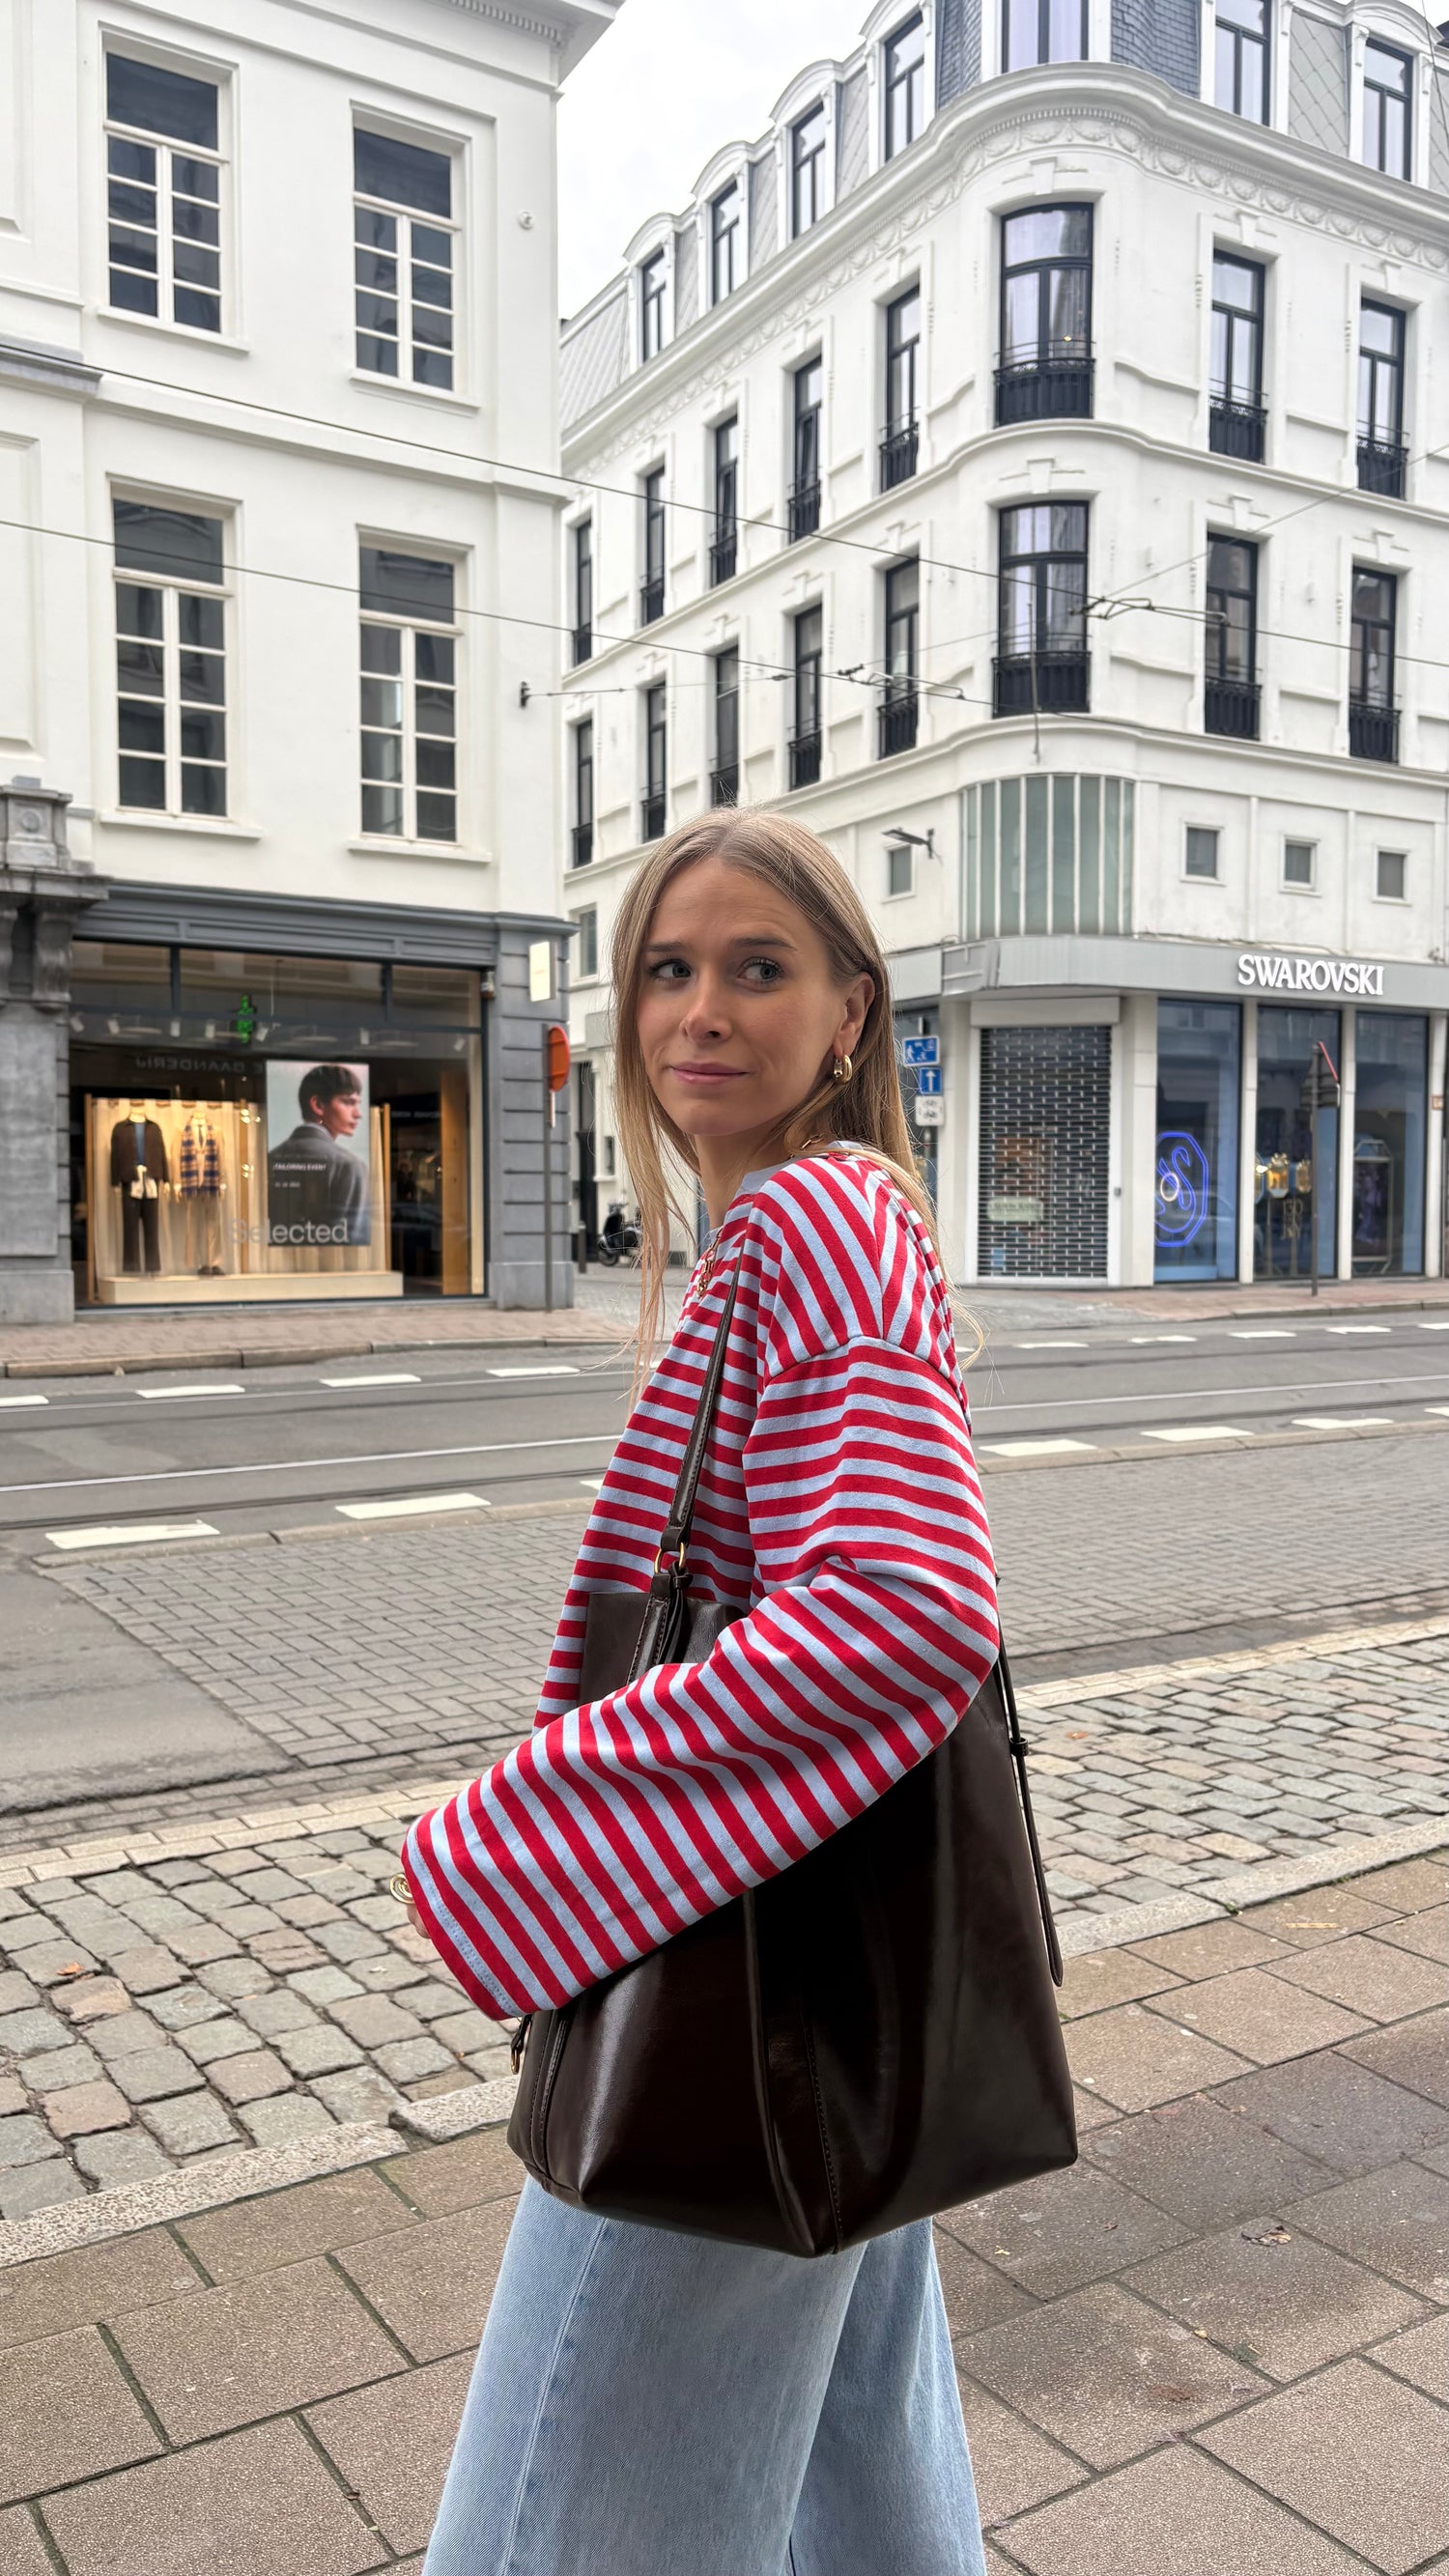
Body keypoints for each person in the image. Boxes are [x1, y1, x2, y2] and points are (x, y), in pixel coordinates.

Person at [400, 810, 999, 2576]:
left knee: (551, 2531)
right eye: (668, 967)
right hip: (820, 1958)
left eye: (758, 968)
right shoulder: (810, 1224)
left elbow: (904, 1604)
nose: (701, 1011)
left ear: (849, 1013)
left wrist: (538, 1811)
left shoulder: (812, 1223)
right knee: (865, 2475)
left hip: (734, 1969)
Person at [266, 1062, 370, 1247]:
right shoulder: (350, 1165)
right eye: (348, 1102)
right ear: (318, 1105)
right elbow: (355, 1242)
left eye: (358, 1104)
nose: (358, 1114)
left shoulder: (270, 1158)